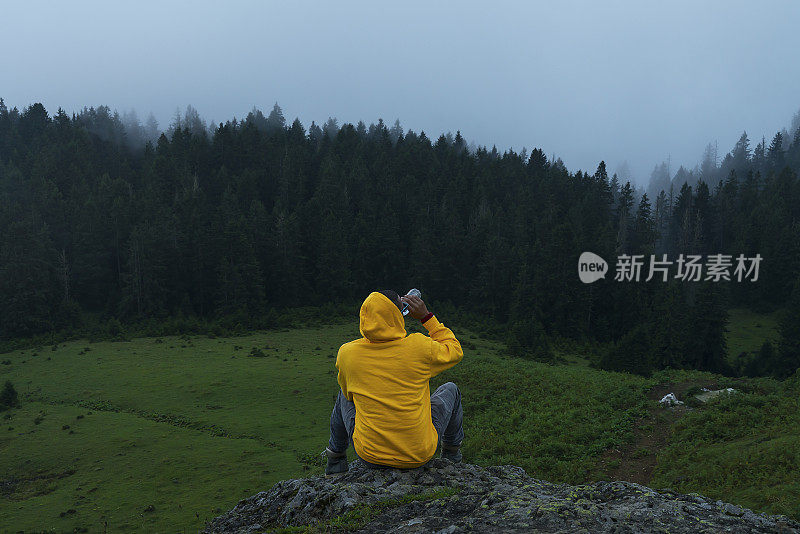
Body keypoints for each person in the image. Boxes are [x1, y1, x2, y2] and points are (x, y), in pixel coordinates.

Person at [325, 290, 464, 474]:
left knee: (344, 394)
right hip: (418, 455)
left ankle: (335, 461)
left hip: (370, 456)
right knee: (451, 389)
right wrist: (426, 317)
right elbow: (455, 349)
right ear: (398, 315)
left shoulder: (347, 354)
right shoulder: (419, 347)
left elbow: (348, 393)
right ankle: (451, 457)